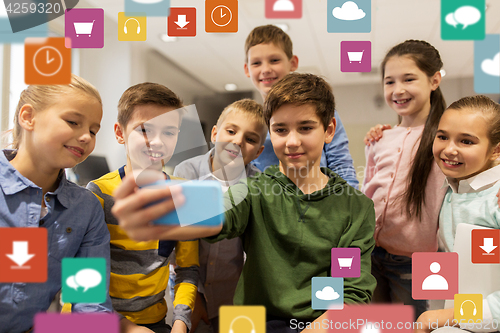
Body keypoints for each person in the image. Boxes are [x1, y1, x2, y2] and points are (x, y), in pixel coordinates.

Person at [111, 73, 377, 333]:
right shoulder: (254, 189)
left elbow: (350, 290)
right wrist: (166, 209)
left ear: (328, 130)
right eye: (281, 130)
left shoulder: (354, 208)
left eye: (305, 128)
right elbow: (222, 214)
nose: (292, 141)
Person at [0, 75, 113, 333]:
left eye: (93, 131)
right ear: (28, 117)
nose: (86, 137)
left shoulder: (85, 209)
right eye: (73, 122)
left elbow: (89, 300)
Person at [86, 83, 199, 333]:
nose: (157, 142)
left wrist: (181, 323)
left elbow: (187, 270)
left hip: (155, 322)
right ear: (119, 133)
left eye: (169, 132)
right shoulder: (98, 194)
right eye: (145, 130)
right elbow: (82, 281)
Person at [361, 40, 448, 319]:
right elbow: (367, 191)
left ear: (434, 80)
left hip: (415, 261)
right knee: (372, 323)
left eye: (409, 79)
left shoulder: (445, 139)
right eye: (389, 82)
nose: (398, 89)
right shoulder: (380, 138)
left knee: (411, 324)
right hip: (370, 252)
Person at [173, 99, 267, 333]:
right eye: (231, 131)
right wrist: (194, 298)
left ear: (258, 151)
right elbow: (183, 241)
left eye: (250, 139)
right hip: (191, 294)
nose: (237, 141)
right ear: (215, 133)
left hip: (237, 297)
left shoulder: (260, 185)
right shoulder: (187, 173)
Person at [415, 95, 500, 333]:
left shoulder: (495, 199)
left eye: (466, 141)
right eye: (442, 136)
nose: (449, 149)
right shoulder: (451, 187)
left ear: (496, 150)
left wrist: (454, 315)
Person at [244, 24, 359, 188]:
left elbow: (341, 162)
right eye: (256, 63)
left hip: (319, 203)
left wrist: (350, 204)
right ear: (246, 69)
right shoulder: (249, 122)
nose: (266, 69)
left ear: (293, 63)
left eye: (274, 60)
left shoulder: (320, 110)